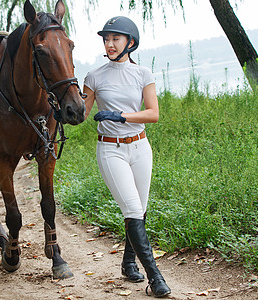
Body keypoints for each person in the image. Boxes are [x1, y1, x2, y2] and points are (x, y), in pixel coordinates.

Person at [83, 16, 171, 298]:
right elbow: (80, 115)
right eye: (106, 39)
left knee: (140, 210)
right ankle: (155, 277)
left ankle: (127, 262)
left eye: (115, 39)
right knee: (133, 209)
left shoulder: (143, 73)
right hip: (111, 149)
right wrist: (63, 100)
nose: (109, 44)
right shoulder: (94, 76)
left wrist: (120, 115)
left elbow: (153, 113)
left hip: (140, 147)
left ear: (130, 43)